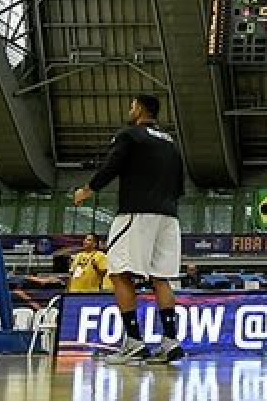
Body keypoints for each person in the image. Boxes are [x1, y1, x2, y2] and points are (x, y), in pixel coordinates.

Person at [73, 94, 185, 365]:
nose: (129, 109)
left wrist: (88, 189)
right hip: (169, 217)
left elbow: (113, 164)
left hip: (137, 213)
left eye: (132, 105)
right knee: (161, 278)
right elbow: (180, 183)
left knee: (119, 272)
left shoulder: (130, 135)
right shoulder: (170, 142)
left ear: (141, 110)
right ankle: (170, 343)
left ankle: (134, 342)